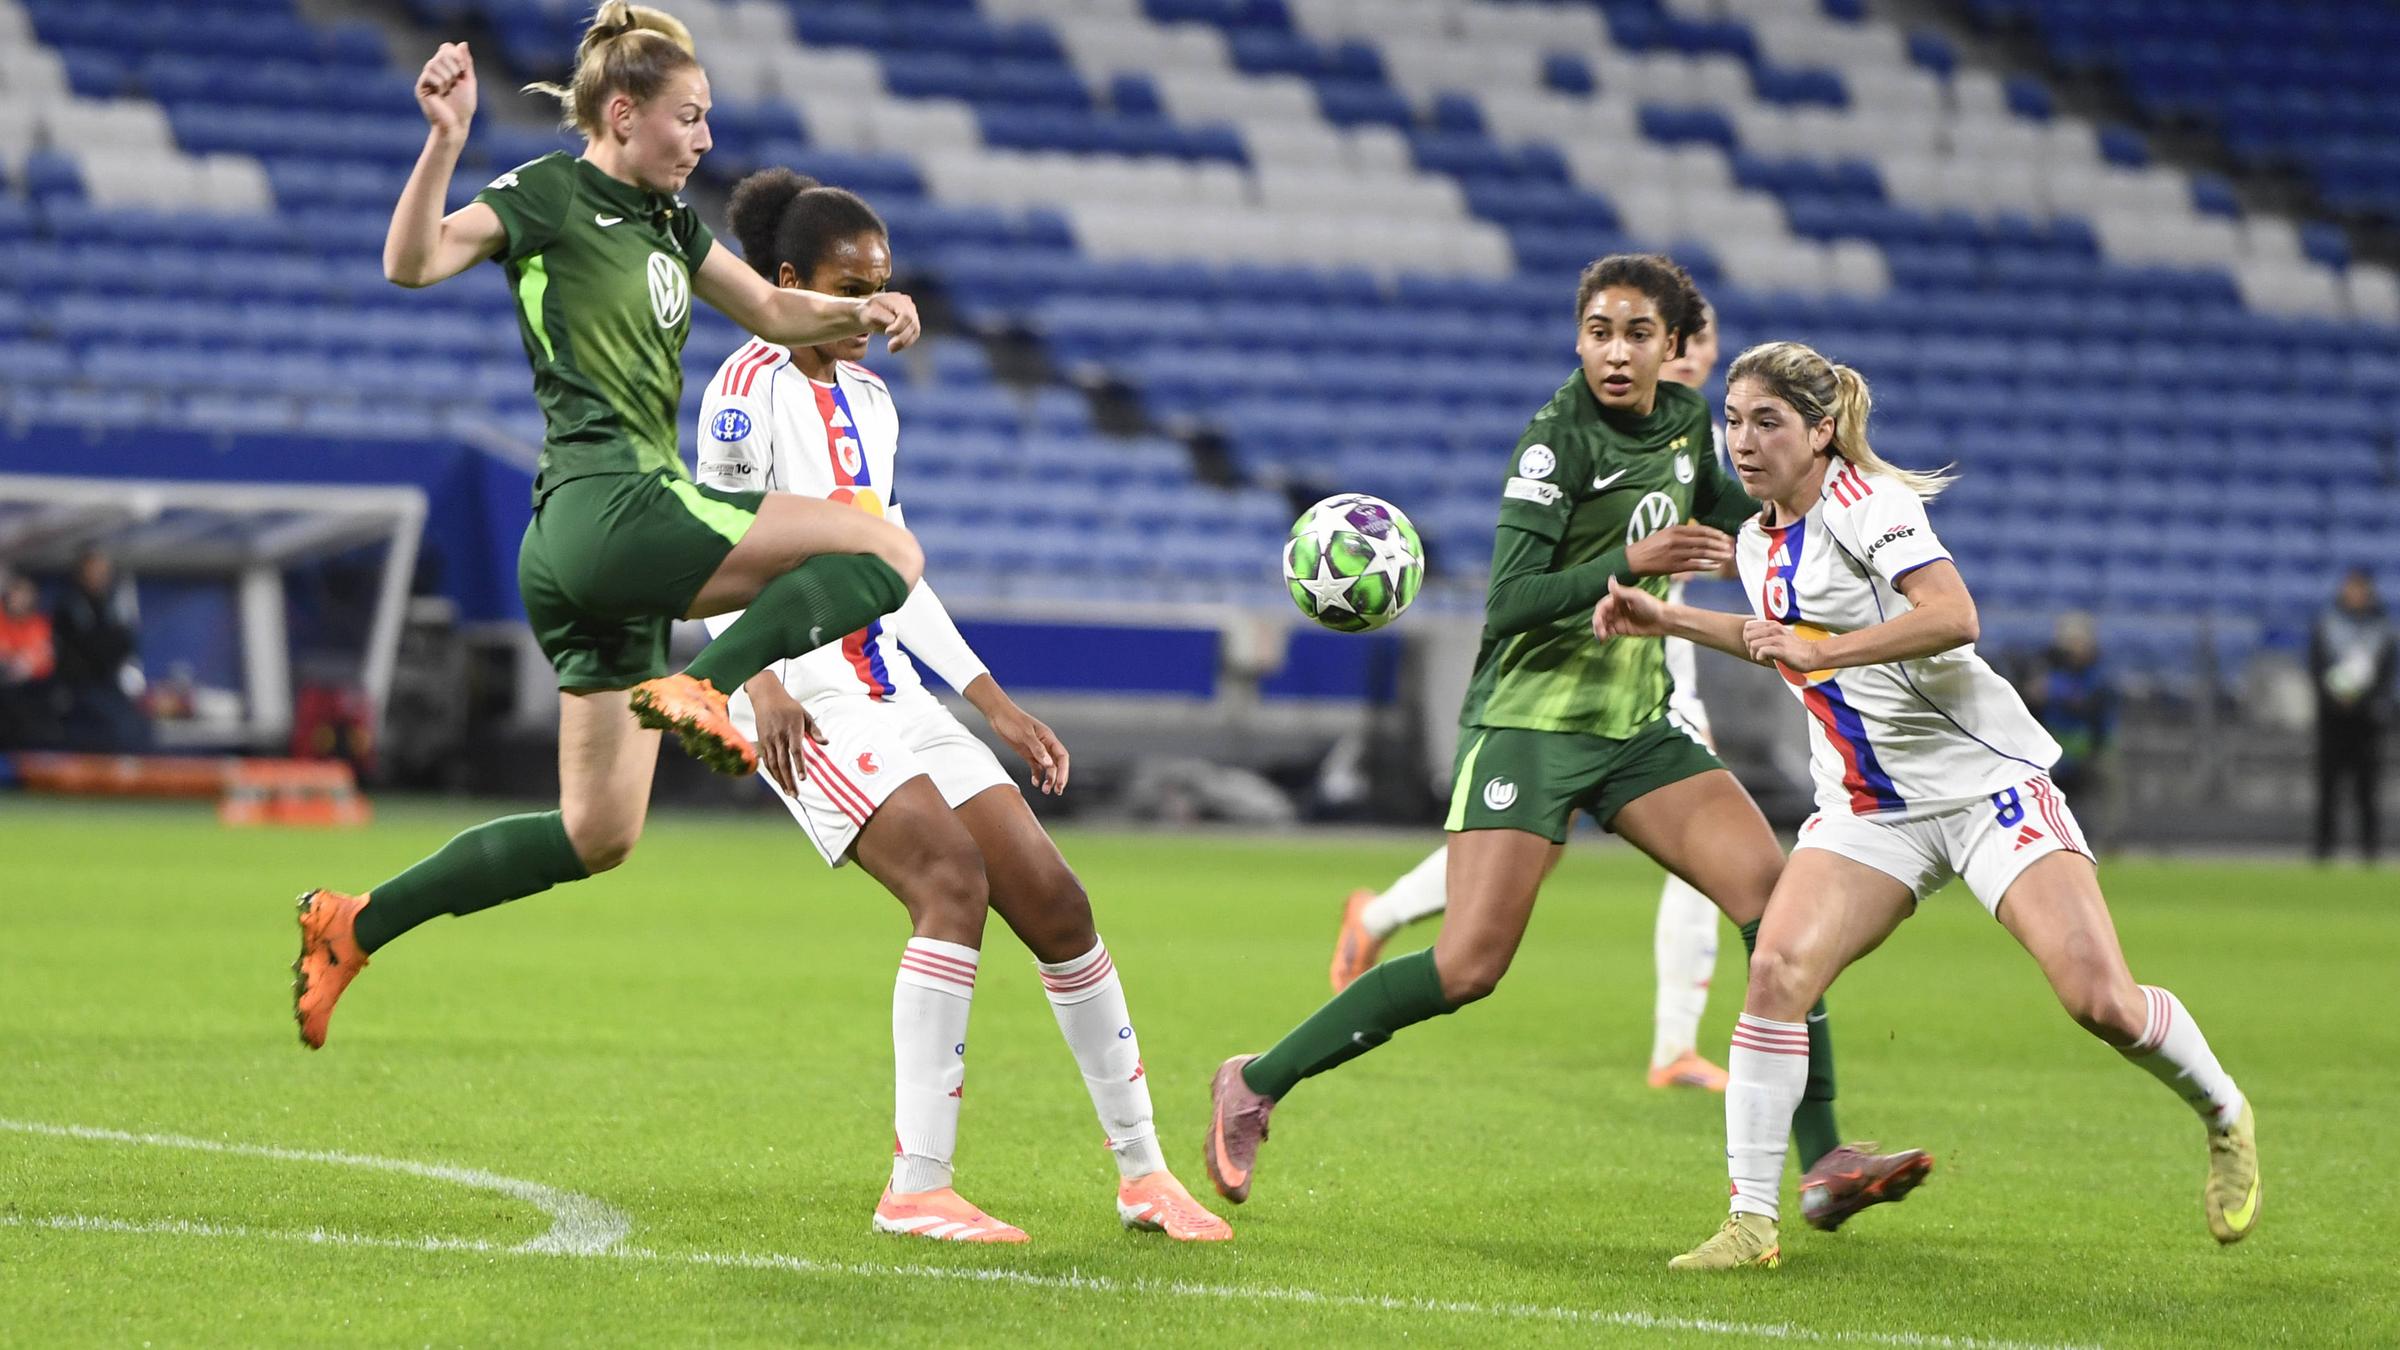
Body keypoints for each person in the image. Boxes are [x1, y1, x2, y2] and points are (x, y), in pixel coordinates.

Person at [1205, 256, 1923, 1231]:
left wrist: (1837, 507)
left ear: (1675, 349)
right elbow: (1510, 603)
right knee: (1468, 968)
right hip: (1530, 728)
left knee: (1775, 904)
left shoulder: (1682, 428)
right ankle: (1255, 1079)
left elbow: (1731, 515)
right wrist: (1632, 560)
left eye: (1636, 333)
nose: (1615, 351)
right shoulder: (1557, 443)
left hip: (1635, 729)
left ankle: (1825, 1158)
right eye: (1598, 331)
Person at [292, 5, 935, 1050]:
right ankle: (709, 685)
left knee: (599, 834)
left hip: (577, 556)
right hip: (614, 505)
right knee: (887, 550)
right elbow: (410, 262)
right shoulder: (548, 193)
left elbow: (775, 314)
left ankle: (358, 922)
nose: (706, 140)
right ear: (625, 113)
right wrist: (445, 144)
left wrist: (869, 313)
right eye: (690, 118)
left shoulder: (673, 226)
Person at [1587, 340, 2259, 1270]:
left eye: (1767, 422)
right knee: (1777, 972)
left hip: (1987, 790)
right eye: (1733, 422)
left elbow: (1954, 615)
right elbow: (1775, 638)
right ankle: (1751, 1222)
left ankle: (2222, 1110)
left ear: (1821, 431)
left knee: (2099, 1000)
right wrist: (1671, 617)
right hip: (1869, 811)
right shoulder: (1754, 536)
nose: (1742, 442)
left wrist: (1830, 651)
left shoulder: (1869, 505)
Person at [693, 167, 1228, 1244]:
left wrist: (993, 703)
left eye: (888, 285)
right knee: (952, 878)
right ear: (791, 283)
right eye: (855, 288)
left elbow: (898, 573)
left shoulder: (877, 402)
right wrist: (757, 688)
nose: (880, 309)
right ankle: (917, 1186)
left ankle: (1145, 1175)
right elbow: (715, 560)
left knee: (1057, 899)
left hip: (894, 686)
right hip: (807, 696)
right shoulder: (744, 390)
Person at [1329, 300, 1734, 1091]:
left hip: (1656, 676)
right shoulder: (1584, 432)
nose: (1681, 355)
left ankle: (1675, 1046)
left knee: (1703, 861)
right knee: (1527, 859)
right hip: (1560, 680)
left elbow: (1741, 539)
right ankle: (1373, 923)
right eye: (1658, 339)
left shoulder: (1707, 444)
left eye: (1694, 341)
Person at [2311, 567, 2394, 861]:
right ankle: (2323, 853)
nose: (2356, 595)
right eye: (2351, 588)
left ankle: (2369, 853)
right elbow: (2318, 668)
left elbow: (2385, 676)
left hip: (2366, 723)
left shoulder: (2381, 630)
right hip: (2333, 722)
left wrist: (2364, 701)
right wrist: (2338, 698)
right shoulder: (2328, 625)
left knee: (2366, 793)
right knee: (2328, 792)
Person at [2016, 610, 2116, 840]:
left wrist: (2053, 690)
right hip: (2054, 745)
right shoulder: (2047, 662)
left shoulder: (2097, 669)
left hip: (2092, 746)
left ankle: (2105, 842)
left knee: (2102, 795)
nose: (2074, 645)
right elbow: (2029, 696)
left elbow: (2091, 700)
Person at [49, 549, 150, 753]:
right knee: (111, 729)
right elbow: (86, 646)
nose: (100, 575)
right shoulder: (70, 604)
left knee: (140, 727)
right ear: (81, 572)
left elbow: (126, 641)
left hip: (109, 685)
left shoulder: (112, 604)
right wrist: (105, 645)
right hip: (79, 688)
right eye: (94, 570)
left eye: (103, 570)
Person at [0, 569, 58, 749]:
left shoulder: (41, 624)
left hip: (32, 688)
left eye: (26, 593)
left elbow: (46, 660)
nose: (20, 598)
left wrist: (27, 665)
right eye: (17, 592)